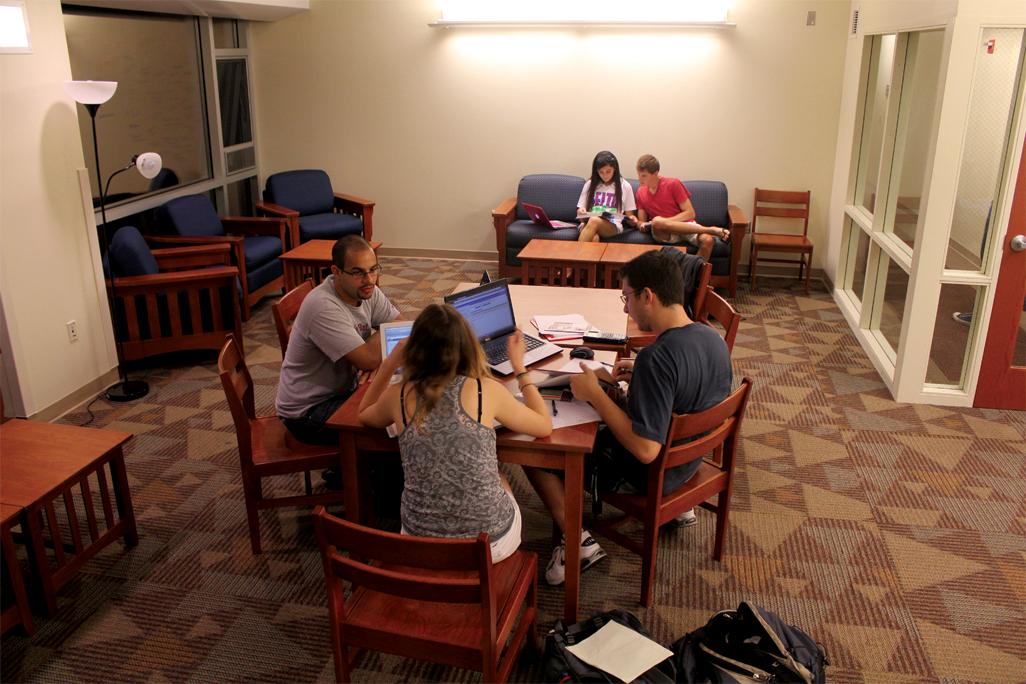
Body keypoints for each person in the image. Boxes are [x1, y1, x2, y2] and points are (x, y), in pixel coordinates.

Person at [524, 250, 732, 585]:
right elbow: (690, 387)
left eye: (627, 297)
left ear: (648, 296)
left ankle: (577, 542)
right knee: (604, 401)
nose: (625, 309)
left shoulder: (657, 358)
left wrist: (595, 395)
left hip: (654, 474)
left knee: (537, 446)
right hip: (689, 460)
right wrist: (638, 378)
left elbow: (646, 451)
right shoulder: (712, 338)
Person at [358, 304, 552, 563]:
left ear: (414, 350)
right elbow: (543, 425)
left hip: (419, 543)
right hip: (489, 547)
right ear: (469, 346)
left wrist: (390, 362)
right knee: (500, 477)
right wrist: (519, 368)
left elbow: (364, 413)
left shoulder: (399, 395)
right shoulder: (484, 389)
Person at [275, 235, 399, 448]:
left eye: (373, 269)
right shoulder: (323, 306)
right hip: (308, 411)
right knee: (393, 417)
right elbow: (368, 359)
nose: (369, 279)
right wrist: (382, 341)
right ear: (336, 272)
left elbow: (402, 326)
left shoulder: (366, 290)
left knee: (399, 400)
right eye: (358, 272)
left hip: (343, 390)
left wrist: (378, 358)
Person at [633, 153, 730, 262]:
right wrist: (640, 224)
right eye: (638, 175)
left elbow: (690, 213)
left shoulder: (673, 184)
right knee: (657, 222)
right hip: (663, 232)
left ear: (655, 173)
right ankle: (710, 229)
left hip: (685, 226)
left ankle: (693, 272)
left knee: (707, 240)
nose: (639, 179)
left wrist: (667, 221)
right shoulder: (640, 192)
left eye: (644, 176)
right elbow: (642, 221)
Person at [577, 150, 637, 243]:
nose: (605, 176)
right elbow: (580, 212)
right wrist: (581, 211)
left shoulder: (625, 186)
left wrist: (632, 220)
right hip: (588, 223)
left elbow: (630, 216)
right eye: (601, 172)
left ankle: (575, 252)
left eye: (608, 171)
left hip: (612, 225)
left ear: (614, 169)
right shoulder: (590, 184)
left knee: (594, 221)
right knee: (594, 238)